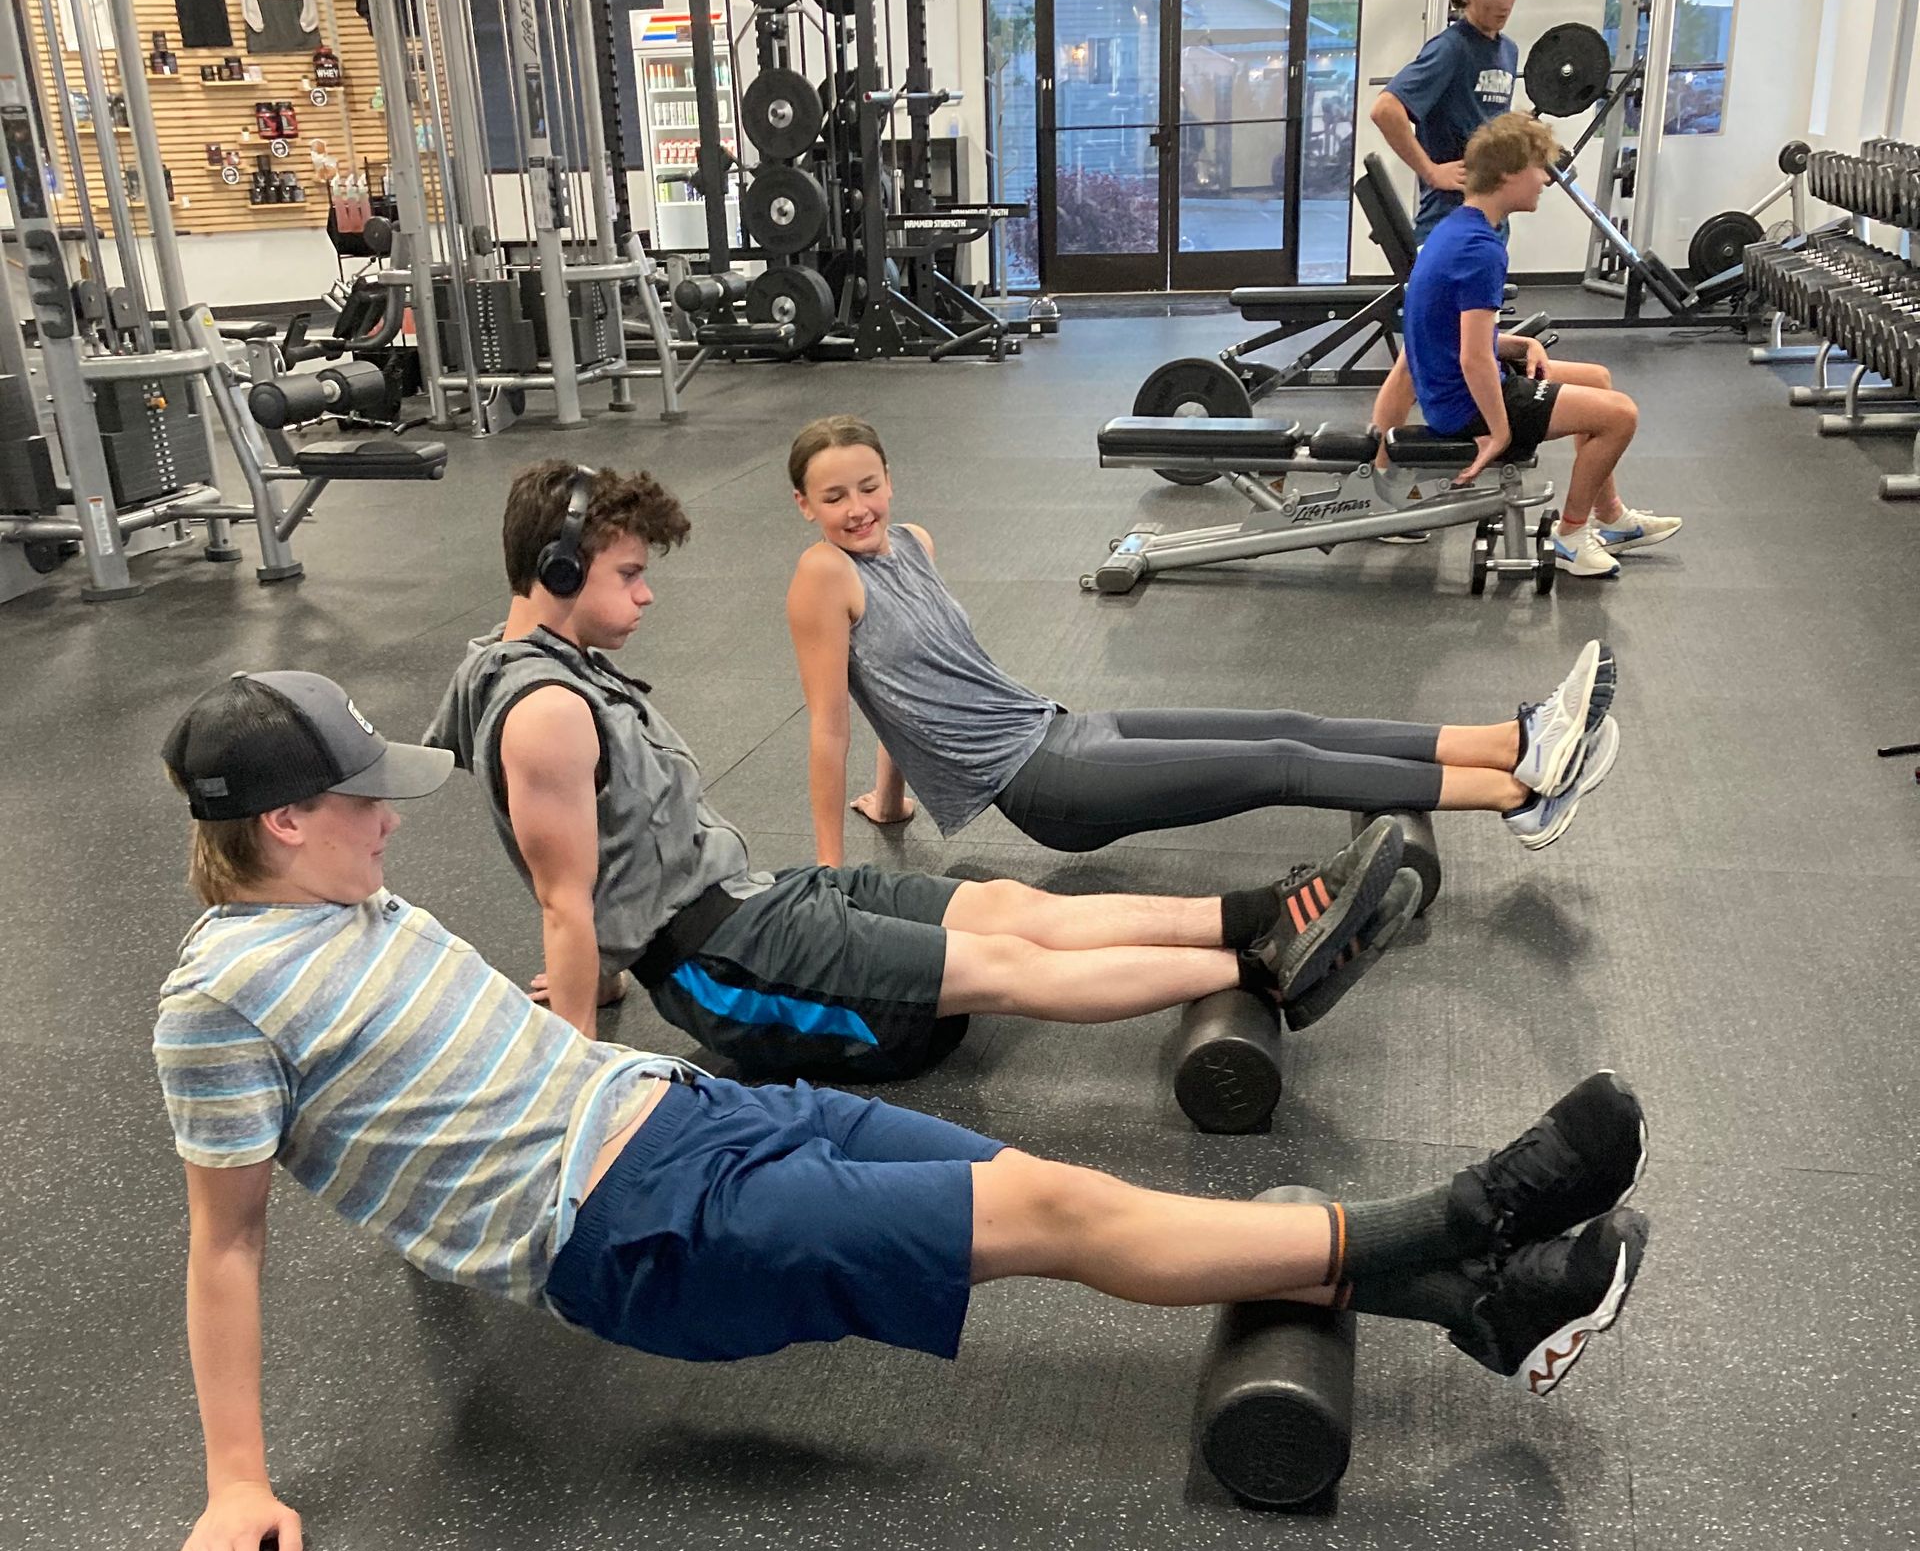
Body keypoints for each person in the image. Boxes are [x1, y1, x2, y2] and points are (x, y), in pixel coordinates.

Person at [155, 673, 1653, 1551]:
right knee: (1061, 1216)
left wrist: (441, 1216)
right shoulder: (222, 1001)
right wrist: (237, 1481)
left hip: (678, 1113)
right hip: (636, 1237)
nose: (391, 827)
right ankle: (1469, 1218)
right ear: (286, 821)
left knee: (1049, 1190)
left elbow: (439, 1085)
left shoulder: (356, 909)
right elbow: (226, 1241)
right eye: (361, 805)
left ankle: (1487, 1306)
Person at [426, 462, 1424, 1084]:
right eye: (627, 574)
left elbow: (559, 856)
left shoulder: (511, 665)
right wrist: (569, 1088)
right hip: (730, 968)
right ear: (556, 574)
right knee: (1010, 966)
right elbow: (564, 900)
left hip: (763, 898)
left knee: (1001, 905)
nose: (646, 594)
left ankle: (1268, 909)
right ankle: (1268, 967)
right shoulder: (549, 712)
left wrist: (588, 973)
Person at [784, 416, 1619, 863]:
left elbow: (921, 681)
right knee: (1279, 769)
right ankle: (1523, 797)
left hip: (1062, 728)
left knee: (1293, 724)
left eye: (869, 485)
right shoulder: (823, 579)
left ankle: (1515, 741)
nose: (858, 507)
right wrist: (828, 877)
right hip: (1045, 784)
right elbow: (832, 724)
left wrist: (892, 803)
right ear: (804, 507)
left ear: (890, 478)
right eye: (834, 497)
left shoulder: (913, 543)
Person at [1373, 114, 1683, 582]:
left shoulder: (1456, 227)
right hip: (1468, 406)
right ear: (1507, 174)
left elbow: (1447, 331)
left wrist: (1516, 344)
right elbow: (1473, 357)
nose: (1544, 180)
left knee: (1597, 378)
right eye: (1538, 168)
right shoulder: (1480, 249)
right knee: (1621, 415)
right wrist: (1498, 433)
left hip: (1455, 390)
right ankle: (1572, 535)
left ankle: (1612, 517)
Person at [1372, 0, 1530, 248]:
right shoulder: (1450, 48)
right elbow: (1385, 110)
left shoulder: (1508, 50)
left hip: (1492, 214)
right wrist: (1431, 172)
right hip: (1448, 220)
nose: (1506, 2)